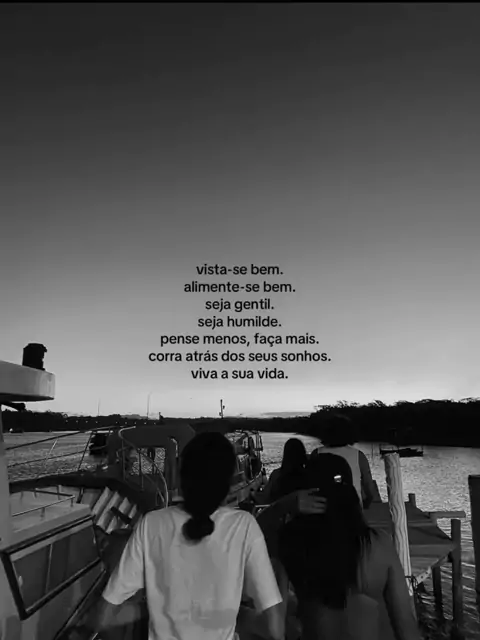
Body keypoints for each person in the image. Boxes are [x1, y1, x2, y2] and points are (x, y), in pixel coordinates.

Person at [92, 431, 285, 640]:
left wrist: (153, 609)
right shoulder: (244, 525)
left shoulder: (151, 523)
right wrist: (238, 615)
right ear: (228, 481)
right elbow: (275, 628)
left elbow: (101, 618)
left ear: (181, 475)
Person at [277, 453, 421, 640]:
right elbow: (405, 625)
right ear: (352, 494)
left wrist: (284, 505)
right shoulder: (379, 544)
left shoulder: (291, 542)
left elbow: (252, 536)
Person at [311, 414, 378, 508]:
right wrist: (367, 502)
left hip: (324, 507)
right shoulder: (358, 455)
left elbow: (311, 483)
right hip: (353, 508)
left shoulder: (317, 453)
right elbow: (368, 486)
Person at [255, 438, 308, 504]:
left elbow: (265, 498)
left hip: (280, 509)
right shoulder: (309, 477)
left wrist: (253, 494)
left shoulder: (276, 475)